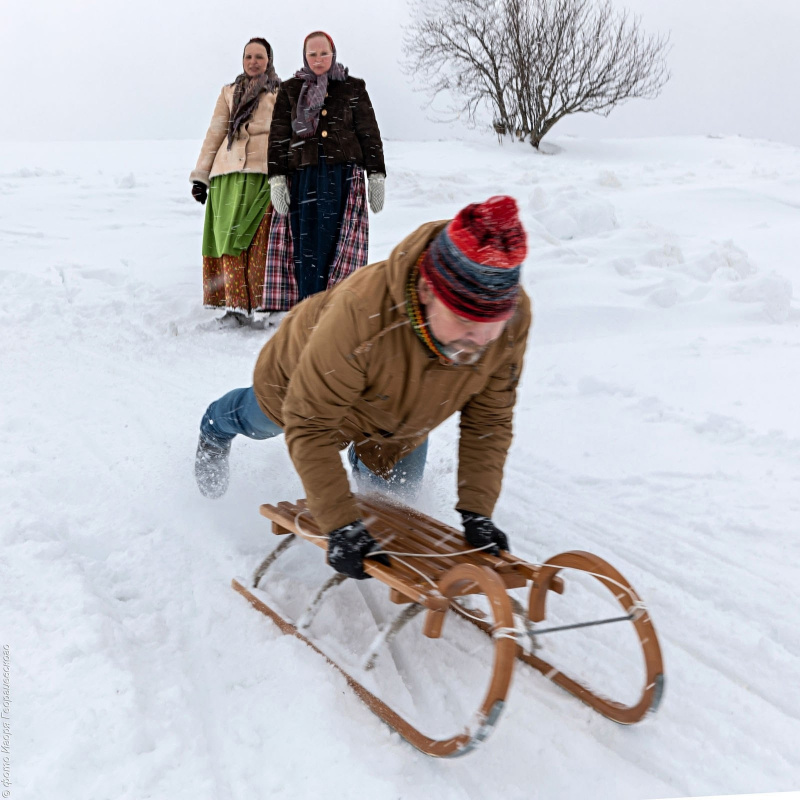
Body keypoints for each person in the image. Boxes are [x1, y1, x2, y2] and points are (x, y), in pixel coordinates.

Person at [195, 196, 530, 580]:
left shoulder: (509, 324)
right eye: (463, 321)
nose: (480, 340)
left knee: (394, 505)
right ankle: (216, 425)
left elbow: (489, 420)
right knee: (263, 421)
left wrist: (477, 510)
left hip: (396, 413)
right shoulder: (362, 313)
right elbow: (310, 424)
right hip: (300, 383)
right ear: (425, 291)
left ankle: (367, 464)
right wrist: (339, 523)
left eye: (492, 326)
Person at [263, 30, 386, 311]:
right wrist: (277, 178)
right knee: (306, 246)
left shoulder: (353, 87)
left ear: (333, 53)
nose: (318, 59)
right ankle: (309, 308)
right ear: (304, 56)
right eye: (312, 54)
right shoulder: (291, 88)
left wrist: (376, 174)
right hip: (303, 178)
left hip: (342, 177)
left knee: (337, 243)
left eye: (323, 53)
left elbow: (368, 132)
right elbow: (279, 134)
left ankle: (338, 309)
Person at [190, 37, 280, 325]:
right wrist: (201, 176)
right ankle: (235, 307)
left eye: (260, 57)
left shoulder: (280, 93)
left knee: (258, 241)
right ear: (242, 60)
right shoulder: (228, 92)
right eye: (249, 56)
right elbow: (215, 133)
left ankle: (264, 306)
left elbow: (285, 136)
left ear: (269, 60)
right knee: (228, 240)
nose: (254, 61)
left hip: (263, 175)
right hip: (226, 177)